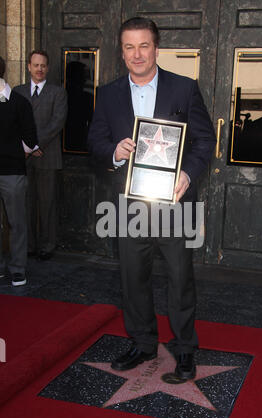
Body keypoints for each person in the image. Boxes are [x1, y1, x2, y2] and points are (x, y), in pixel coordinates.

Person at [88, 17, 216, 380]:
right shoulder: (109, 93)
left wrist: (187, 175)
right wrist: (114, 151)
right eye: (129, 47)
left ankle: (186, 349)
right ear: (122, 51)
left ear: (156, 48)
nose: (137, 54)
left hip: (174, 205)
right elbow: (94, 143)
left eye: (144, 45)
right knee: (133, 278)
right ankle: (143, 343)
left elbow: (205, 141)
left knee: (180, 278)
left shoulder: (184, 88)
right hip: (129, 206)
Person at [14, 50, 68, 261]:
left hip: (48, 155)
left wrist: (35, 144)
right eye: (35, 65)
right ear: (28, 66)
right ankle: (28, 245)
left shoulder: (58, 92)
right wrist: (27, 147)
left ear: (48, 67)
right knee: (26, 203)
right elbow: (13, 122)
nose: (39, 69)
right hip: (23, 157)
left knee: (47, 204)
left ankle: (47, 245)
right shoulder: (17, 92)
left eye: (43, 65)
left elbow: (57, 122)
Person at [0, 56, 40, 286]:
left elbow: (31, 138)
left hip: (13, 172)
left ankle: (17, 269)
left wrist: (17, 152)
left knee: (17, 223)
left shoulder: (19, 102)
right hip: (12, 169)